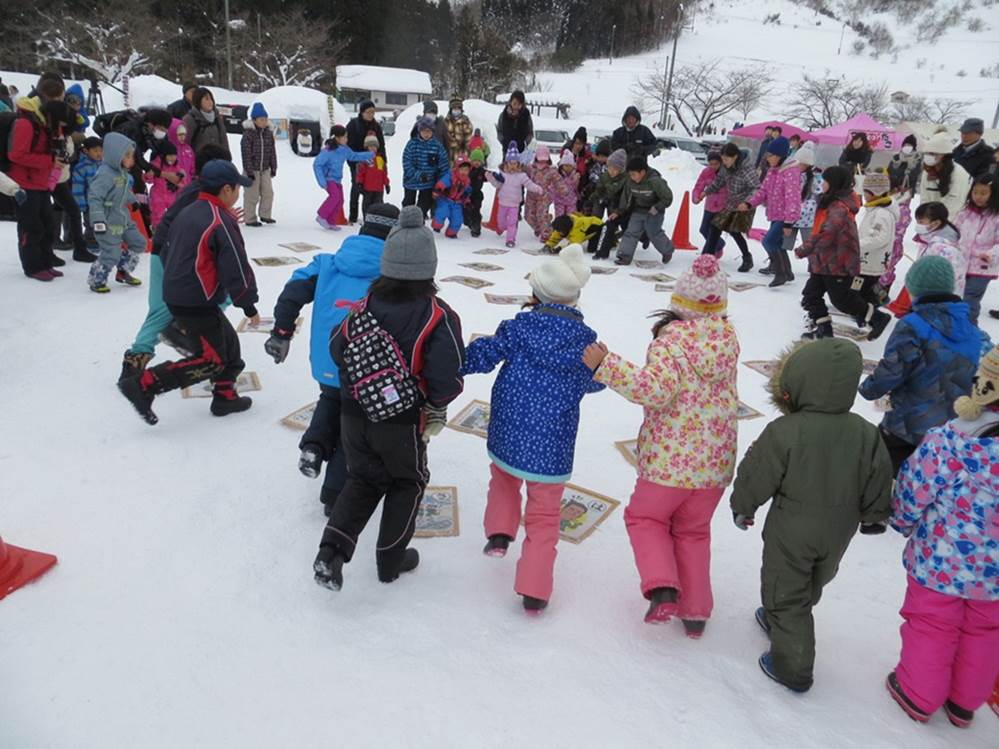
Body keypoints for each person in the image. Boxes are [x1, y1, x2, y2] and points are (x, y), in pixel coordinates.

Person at [584, 255, 738, 637]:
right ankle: (696, 612)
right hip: (714, 467)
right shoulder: (727, 342)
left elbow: (654, 390)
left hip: (669, 463)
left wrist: (607, 365)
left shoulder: (671, 344)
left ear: (678, 303)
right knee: (694, 532)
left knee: (646, 519)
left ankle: (663, 588)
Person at [313, 206, 465, 591]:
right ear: (428, 267)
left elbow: (337, 348)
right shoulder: (437, 314)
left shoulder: (365, 305)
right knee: (407, 481)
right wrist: (431, 400)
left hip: (352, 411)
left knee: (362, 480)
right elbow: (447, 379)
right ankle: (390, 560)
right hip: (400, 422)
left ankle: (331, 552)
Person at [730, 338, 893, 693]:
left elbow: (758, 474)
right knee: (816, 577)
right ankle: (787, 619)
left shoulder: (786, 430)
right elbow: (880, 475)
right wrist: (874, 515)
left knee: (785, 589)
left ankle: (793, 667)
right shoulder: (866, 433)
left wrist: (743, 506)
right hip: (839, 529)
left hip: (792, 527)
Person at [463, 244, 602, 614]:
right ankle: (535, 590)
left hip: (509, 429)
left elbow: (487, 353)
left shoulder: (520, 327)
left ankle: (498, 533)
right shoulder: (584, 340)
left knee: (503, 480)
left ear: (536, 295)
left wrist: (454, 363)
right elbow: (595, 381)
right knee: (544, 515)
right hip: (553, 445)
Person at [885, 346, 999, 728]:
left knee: (933, 624)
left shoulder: (952, 440)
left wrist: (901, 520)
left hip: (940, 561)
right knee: (986, 631)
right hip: (995, 577)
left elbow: (916, 485)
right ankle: (965, 702)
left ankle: (919, 694)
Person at [266, 204, 401, 514]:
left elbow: (292, 293)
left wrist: (282, 332)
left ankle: (314, 446)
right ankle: (333, 495)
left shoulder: (326, 264)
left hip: (326, 360)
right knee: (354, 427)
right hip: (367, 370)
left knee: (330, 399)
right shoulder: (392, 275)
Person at [117, 161, 258, 425]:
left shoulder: (189, 210)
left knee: (229, 345)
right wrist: (248, 304)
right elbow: (236, 266)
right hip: (195, 299)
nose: (238, 193)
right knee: (211, 360)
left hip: (185, 293)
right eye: (237, 188)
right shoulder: (219, 219)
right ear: (226, 189)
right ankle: (145, 384)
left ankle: (225, 397)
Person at [119, 144, 233, 380]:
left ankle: (179, 330)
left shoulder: (201, 191)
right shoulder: (198, 193)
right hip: (169, 255)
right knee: (163, 310)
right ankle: (135, 363)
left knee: (213, 298)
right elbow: (186, 227)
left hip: (171, 253)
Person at [859, 256, 980, 474]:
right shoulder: (972, 330)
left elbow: (893, 369)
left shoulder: (913, 325)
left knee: (881, 473)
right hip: (948, 431)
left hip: (906, 425)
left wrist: (868, 388)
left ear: (916, 290)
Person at [796, 165, 891, 340]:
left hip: (837, 262)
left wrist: (805, 249)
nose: (821, 184)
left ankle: (878, 318)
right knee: (811, 295)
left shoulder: (839, 207)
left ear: (834, 183)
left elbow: (828, 233)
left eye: (825, 181)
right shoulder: (829, 201)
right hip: (823, 260)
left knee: (843, 300)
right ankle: (824, 330)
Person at [8, 96, 70, 281]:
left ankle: (45, 263)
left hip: (40, 183)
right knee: (31, 227)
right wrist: (49, 161)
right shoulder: (26, 125)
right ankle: (32, 266)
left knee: (48, 225)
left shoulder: (43, 126)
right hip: (24, 184)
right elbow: (16, 155)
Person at [86, 133, 147, 293]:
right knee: (112, 252)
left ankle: (123, 270)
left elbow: (124, 191)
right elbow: (94, 197)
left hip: (123, 218)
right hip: (107, 221)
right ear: (115, 155)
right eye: (127, 156)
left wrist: (133, 200)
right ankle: (97, 279)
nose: (131, 159)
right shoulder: (105, 174)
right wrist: (98, 220)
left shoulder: (123, 174)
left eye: (132, 156)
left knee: (139, 242)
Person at [740, 136, 799, 285]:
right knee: (776, 243)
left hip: (785, 216)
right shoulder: (773, 171)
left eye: (770, 155)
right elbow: (762, 192)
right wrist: (749, 204)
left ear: (779, 156)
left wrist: (788, 222)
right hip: (775, 214)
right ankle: (788, 272)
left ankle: (780, 273)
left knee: (769, 241)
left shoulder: (790, 172)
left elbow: (793, 199)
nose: (767, 158)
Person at [703, 143, 759, 273]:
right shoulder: (725, 168)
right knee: (715, 225)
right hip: (731, 202)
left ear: (735, 157)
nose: (724, 162)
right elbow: (719, 182)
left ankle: (747, 258)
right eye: (723, 159)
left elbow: (756, 188)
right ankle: (708, 258)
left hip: (745, 205)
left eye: (726, 159)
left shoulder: (747, 169)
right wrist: (706, 192)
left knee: (734, 230)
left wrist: (747, 202)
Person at [610, 156, 674, 266]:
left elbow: (668, 197)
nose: (632, 177)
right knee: (631, 231)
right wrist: (618, 211)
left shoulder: (655, 181)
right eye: (630, 175)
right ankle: (624, 256)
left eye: (634, 175)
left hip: (655, 210)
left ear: (643, 172)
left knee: (653, 232)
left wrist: (657, 207)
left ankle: (667, 251)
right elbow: (625, 198)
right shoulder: (630, 181)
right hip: (639, 209)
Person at [956, 174, 999, 325]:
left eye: (983, 193)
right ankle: (956, 327)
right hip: (961, 262)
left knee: (970, 299)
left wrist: (991, 254)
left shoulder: (996, 217)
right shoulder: (965, 212)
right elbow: (955, 232)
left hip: (982, 267)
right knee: (957, 296)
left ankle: (969, 327)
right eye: (975, 192)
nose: (978, 197)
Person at [314, 124, 373, 231]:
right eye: (344, 137)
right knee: (335, 197)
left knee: (340, 200)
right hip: (328, 179)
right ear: (337, 138)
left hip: (337, 180)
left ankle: (331, 221)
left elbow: (354, 156)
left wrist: (368, 155)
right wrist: (322, 181)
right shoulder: (327, 151)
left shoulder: (345, 150)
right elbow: (317, 164)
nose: (347, 139)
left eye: (347, 137)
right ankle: (322, 216)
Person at [883, 134, 922, 292]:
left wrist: (908, 186)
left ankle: (885, 281)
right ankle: (881, 281)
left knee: (893, 242)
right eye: (905, 144)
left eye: (910, 144)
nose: (907, 147)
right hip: (891, 195)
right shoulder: (895, 158)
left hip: (905, 196)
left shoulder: (918, 160)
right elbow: (888, 173)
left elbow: (916, 178)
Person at [486, 143, 543, 248]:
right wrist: (490, 177)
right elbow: (497, 185)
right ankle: (503, 228)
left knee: (512, 222)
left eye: (515, 163)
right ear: (506, 163)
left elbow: (529, 184)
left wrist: (537, 188)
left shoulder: (521, 175)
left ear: (518, 164)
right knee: (501, 222)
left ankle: (510, 239)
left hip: (514, 204)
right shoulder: (503, 175)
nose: (512, 166)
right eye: (510, 163)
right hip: (502, 203)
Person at [855, 170, 897, 309]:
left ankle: (868, 308)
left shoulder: (881, 213)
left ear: (875, 193)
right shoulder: (875, 210)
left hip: (871, 260)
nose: (864, 195)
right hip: (869, 259)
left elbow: (879, 238)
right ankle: (876, 300)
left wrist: (857, 245)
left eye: (866, 192)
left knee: (864, 286)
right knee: (867, 284)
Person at [402, 116, 451, 219]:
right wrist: (418, 175)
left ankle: (419, 220)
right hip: (411, 181)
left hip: (428, 182)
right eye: (424, 131)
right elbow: (407, 162)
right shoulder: (411, 144)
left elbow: (444, 165)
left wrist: (441, 181)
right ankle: (406, 220)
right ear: (419, 131)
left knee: (424, 204)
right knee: (408, 203)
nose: (426, 134)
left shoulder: (437, 146)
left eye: (429, 131)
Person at [346, 100, 386, 224]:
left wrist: (383, 161)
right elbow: (349, 145)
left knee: (373, 190)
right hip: (357, 161)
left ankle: (373, 215)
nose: (371, 115)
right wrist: (353, 163)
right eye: (368, 112)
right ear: (362, 112)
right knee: (357, 187)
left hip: (374, 163)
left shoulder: (376, 126)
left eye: (373, 112)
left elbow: (382, 145)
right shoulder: (353, 124)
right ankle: (353, 215)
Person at [239, 103, 277, 227]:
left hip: (265, 169)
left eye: (266, 119)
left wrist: (273, 166)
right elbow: (246, 154)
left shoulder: (268, 133)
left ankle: (265, 214)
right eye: (261, 119)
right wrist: (249, 171)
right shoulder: (248, 134)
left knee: (268, 193)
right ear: (254, 120)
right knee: (252, 195)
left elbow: (272, 151)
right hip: (252, 170)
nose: (264, 122)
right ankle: (250, 218)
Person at [920, 131, 973, 219]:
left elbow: (954, 205)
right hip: (930, 220)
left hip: (950, 221)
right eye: (926, 153)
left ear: (944, 155)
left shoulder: (959, 173)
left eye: (933, 153)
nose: (928, 156)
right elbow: (924, 196)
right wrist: (924, 217)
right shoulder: (928, 170)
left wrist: (939, 224)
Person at [590, 149, 629, 259]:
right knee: (596, 215)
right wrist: (593, 198)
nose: (611, 171)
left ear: (621, 169)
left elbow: (623, 198)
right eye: (610, 167)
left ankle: (612, 240)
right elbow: (599, 190)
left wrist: (618, 210)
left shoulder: (625, 179)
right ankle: (594, 242)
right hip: (604, 200)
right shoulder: (605, 176)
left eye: (615, 169)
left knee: (612, 222)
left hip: (617, 205)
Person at [71, 136, 102, 256]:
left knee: (103, 222)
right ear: (86, 151)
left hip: (104, 201)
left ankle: (102, 241)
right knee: (91, 224)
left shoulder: (105, 165)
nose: (99, 153)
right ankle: (91, 242)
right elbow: (77, 187)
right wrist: (81, 204)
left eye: (101, 150)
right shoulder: (81, 167)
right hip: (90, 203)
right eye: (95, 151)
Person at [691, 151, 728, 256]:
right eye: (710, 164)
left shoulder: (725, 173)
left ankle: (708, 254)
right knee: (703, 229)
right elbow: (699, 186)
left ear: (720, 163)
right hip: (709, 206)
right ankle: (719, 244)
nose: (713, 166)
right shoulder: (706, 172)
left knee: (713, 231)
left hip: (722, 207)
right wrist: (696, 197)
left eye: (715, 164)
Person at [144, 141, 185, 231]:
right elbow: (148, 179)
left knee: (175, 213)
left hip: (171, 195)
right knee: (157, 213)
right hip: (158, 194)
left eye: (174, 155)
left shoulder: (176, 167)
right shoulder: (157, 164)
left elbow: (182, 183)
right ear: (164, 155)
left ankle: (173, 230)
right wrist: (148, 175)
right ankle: (157, 230)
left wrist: (180, 183)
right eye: (170, 155)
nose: (172, 158)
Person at [431, 157, 472, 238]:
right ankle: (437, 225)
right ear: (457, 169)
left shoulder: (467, 181)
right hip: (445, 199)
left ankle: (452, 232)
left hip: (457, 202)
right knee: (442, 212)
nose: (464, 172)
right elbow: (442, 183)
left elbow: (466, 192)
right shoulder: (450, 176)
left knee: (458, 219)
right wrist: (438, 189)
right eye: (462, 169)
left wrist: (467, 201)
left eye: (466, 170)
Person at [182, 88, 229, 157]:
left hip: (218, 162)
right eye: (206, 99)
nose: (210, 102)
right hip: (199, 163)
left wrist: (227, 158)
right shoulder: (190, 119)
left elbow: (224, 141)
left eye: (211, 99)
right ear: (198, 101)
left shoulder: (217, 118)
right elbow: (185, 144)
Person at [525, 145, 558, 240]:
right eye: (540, 159)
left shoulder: (552, 170)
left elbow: (558, 181)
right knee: (528, 217)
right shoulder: (530, 168)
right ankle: (539, 228)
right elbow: (521, 175)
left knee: (541, 216)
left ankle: (546, 234)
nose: (542, 162)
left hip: (544, 197)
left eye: (544, 159)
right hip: (531, 196)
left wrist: (563, 190)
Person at [355, 135, 391, 219]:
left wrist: (387, 184)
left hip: (379, 189)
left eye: (374, 146)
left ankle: (377, 219)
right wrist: (359, 183)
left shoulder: (380, 159)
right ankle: (367, 219)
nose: (373, 148)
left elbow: (384, 173)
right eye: (370, 146)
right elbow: (360, 173)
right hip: (368, 188)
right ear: (366, 147)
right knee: (367, 205)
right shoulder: (364, 159)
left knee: (378, 205)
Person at [443, 95, 473, 165]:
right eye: (454, 108)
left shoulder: (466, 122)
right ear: (450, 109)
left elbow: (468, 142)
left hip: (461, 155)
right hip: (448, 155)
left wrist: (465, 157)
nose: (456, 110)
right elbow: (444, 139)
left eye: (458, 108)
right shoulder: (446, 122)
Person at [551, 151, 581, 219]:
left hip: (571, 201)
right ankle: (559, 229)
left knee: (571, 218)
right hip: (559, 200)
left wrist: (576, 180)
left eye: (570, 166)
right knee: (559, 218)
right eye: (566, 165)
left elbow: (575, 187)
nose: (568, 168)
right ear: (562, 166)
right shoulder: (557, 175)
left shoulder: (575, 175)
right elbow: (553, 186)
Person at [464, 148, 487, 237]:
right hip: (466, 195)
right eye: (475, 160)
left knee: (476, 210)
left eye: (479, 161)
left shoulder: (482, 171)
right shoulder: (467, 170)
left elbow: (489, 176)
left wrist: (496, 176)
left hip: (477, 195)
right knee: (466, 211)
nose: (477, 163)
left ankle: (476, 228)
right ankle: (468, 221)